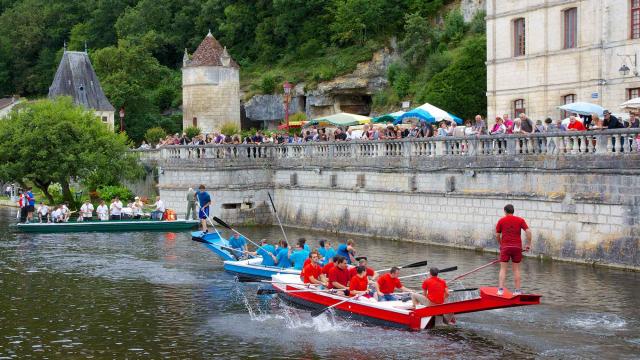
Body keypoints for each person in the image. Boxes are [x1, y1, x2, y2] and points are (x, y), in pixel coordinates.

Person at [495, 204, 532, 296]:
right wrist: (528, 244)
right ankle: (517, 291)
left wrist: (501, 244)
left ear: (505, 211)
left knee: (503, 269)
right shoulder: (520, 220)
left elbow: (497, 235)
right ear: (513, 211)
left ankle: (500, 290)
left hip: (506, 247)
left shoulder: (501, 220)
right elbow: (528, 231)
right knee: (516, 270)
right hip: (517, 248)